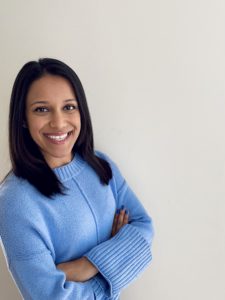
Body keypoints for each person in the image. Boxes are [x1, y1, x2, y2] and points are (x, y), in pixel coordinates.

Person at [0, 58, 154, 300]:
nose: (59, 122)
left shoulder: (101, 165)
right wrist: (112, 265)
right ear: (22, 118)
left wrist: (85, 266)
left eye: (69, 107)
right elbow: (49, 296)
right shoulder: (14, 201)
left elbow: (144, 227)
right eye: (42, 109)